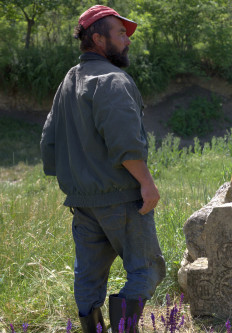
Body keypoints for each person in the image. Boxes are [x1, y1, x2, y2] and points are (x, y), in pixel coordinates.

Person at [40, 5, 166, 332]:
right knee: (146, 269)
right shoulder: (112, 79)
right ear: (98, 39)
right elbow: (125, 142)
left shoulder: (70, 79)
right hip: (122, 199)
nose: (127, 40)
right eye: (120, 34)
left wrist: (78, 182)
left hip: (82, 201)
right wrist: (146, 183)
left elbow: (48, 141)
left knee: (88, 276)